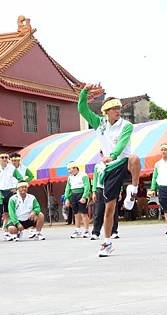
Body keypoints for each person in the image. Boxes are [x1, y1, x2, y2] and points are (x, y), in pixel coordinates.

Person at [78, 84, 141, 257]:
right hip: (110, 169)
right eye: (114, 109)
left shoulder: (126, 125)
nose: (118, 111)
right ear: (106, 111)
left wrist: (112, 155)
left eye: (119, 108)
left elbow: (122, 143)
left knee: (135, 158)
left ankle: (133, 190)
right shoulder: (99, 123)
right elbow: (82, 109)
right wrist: (84, 92)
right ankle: (107, 242)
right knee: (109, 209)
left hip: (123, 162)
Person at [0, 153, 24, 239]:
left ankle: (6, 233)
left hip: (9, 193)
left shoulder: (12, 168)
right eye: (2, 157)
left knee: (7, 213)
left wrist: (16, 188)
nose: (4, 159)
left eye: (6, 157)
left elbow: (21, 178)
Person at [90, 159, 119, 240]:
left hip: (112, 188)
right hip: (100, 189)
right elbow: (95, 179)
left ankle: (114, 232)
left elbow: (118, 179)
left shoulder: (114, 163)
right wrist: (93, 191)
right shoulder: (97, 166)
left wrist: (119, 192)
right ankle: (95, 232)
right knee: (98, 211)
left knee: (113, 211)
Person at [64, 163, 91, 238]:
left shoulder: (83, 175)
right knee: (76, 214)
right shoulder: (70, 177)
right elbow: (68, 188)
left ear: (75, 168)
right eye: (68, 169)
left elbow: (87, 186)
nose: (69, 171)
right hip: (73, 195)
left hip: (81, 194)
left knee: (84, 213)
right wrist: (67, 198)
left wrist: (84, 197)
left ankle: (86, 231)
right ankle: (77, 230)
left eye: (70, 169)